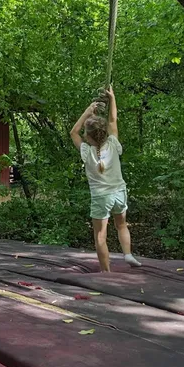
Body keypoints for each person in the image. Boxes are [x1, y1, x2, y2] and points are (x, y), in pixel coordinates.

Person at [69, 86, 142, 272]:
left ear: (88, 136)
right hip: (119, 192)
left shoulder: (87, 151)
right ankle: (128, 254)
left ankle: (106, 272)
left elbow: (73, 132)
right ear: (104, 133)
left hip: (102, 197)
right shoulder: (113, 144)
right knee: (121, 224)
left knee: (100, 236)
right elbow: (112, 120)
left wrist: (87, 112)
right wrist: (112, 98)